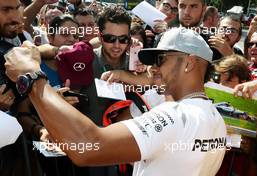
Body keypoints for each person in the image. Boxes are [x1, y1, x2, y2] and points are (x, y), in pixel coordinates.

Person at [5, 27, 227, 176]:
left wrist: (33, 77)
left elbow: (88, 147)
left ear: (188, 63)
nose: (154, 68)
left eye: (161, 59)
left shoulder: (177, 115)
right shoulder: (216, 119)